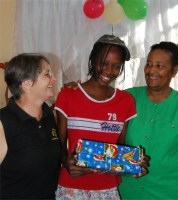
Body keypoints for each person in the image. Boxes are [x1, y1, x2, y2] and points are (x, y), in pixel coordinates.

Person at [54, 34, 148, 200]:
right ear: (92, 60)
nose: (109, 71)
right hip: (71, 187)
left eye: (116, 66)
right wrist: (65, 162)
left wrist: (135, 164)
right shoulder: (68, 95)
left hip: (107, 189)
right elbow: (57, 146)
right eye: (103, 63)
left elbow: (119, 147)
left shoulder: (125, 101)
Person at [118, 41, 178, 199]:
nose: (151, 70)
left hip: (172, 192)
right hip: (128, 191)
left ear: (174, 71)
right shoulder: (127, 98)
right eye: (149, 64)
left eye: (160, 66)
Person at [0, 53, 62, 199]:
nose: (53, 78)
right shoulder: (3, 122)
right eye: (47, 74)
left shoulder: (48, 116)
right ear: (26, 83)